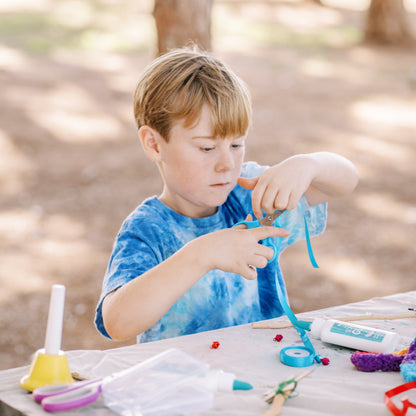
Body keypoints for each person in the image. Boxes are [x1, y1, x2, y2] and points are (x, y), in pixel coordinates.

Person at [95, 47, 358, 343]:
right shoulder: (148, 229)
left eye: (236, 145)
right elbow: (116, 323)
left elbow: (345, 181)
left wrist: (310, 165)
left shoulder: (249, 196)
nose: (227, 164)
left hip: (264, 378)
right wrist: (202, 254)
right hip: (187, 384)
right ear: (154, 144)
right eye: (207, 148)